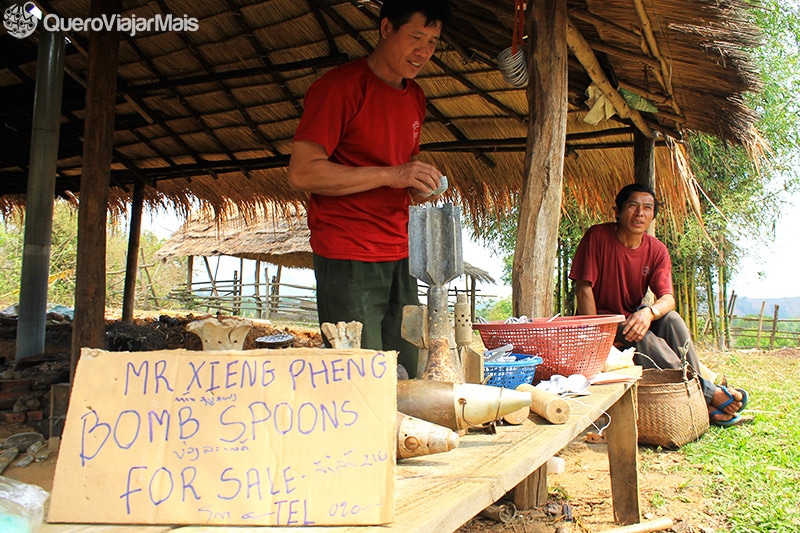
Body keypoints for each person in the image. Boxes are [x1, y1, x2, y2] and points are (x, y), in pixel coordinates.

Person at [287, 0, 452, 377]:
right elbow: (302, 173)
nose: (423, 51)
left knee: (406, 373)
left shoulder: (415, 97)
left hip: (402, 254)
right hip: (349, 254)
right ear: (385, 29)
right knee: (357, 378)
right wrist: (393, 175)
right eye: (415, 37)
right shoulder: (339, 88)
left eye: (432, 41)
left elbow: (400, 173)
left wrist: (419, 186)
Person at [569, 183, 750, 427]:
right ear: (619, 211)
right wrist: (595, 333)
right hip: (601, 323)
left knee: (671, 319)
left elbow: (668, 298)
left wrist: (649, 312)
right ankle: (710, 393)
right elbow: (583, 287)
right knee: (640, 335)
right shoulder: (598, 236)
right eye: (632, 206)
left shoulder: (657, 250)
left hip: (632, 318)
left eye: (647, 208)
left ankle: (704, 395)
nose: (639, 213)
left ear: (653, 215)